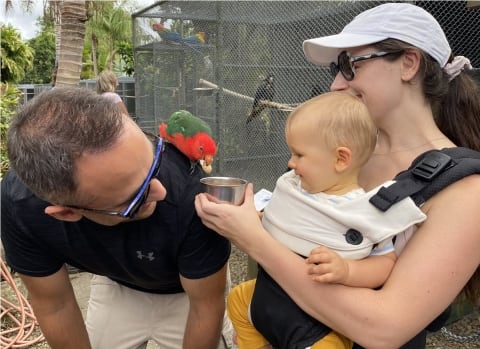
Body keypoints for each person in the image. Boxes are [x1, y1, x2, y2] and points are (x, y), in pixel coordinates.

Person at [194, 3, 480, 349]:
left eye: (348, 65)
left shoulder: (464, 190)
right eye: (336, 68)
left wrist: (255, 240)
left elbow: (384, 328)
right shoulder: (339, 154)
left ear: (408, 63)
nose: (335, 84)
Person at [1, 87, 232, 349]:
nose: (160, 190)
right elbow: (54, 305)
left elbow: (206, 306)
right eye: (135, 198)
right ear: (67, 212)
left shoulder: (192, 196)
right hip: (117, 284)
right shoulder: (20, 206)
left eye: (155, 163)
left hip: (188, 293)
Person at [228, 92, 427, 349]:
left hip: (317, 327)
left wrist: (347, 270)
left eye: (299, 155)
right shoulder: (295, 190)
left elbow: (385, 264)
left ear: (340, 159)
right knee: (237, 299)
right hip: (270, 294)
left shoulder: (364, 211)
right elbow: (283, 223)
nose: (290, 163)